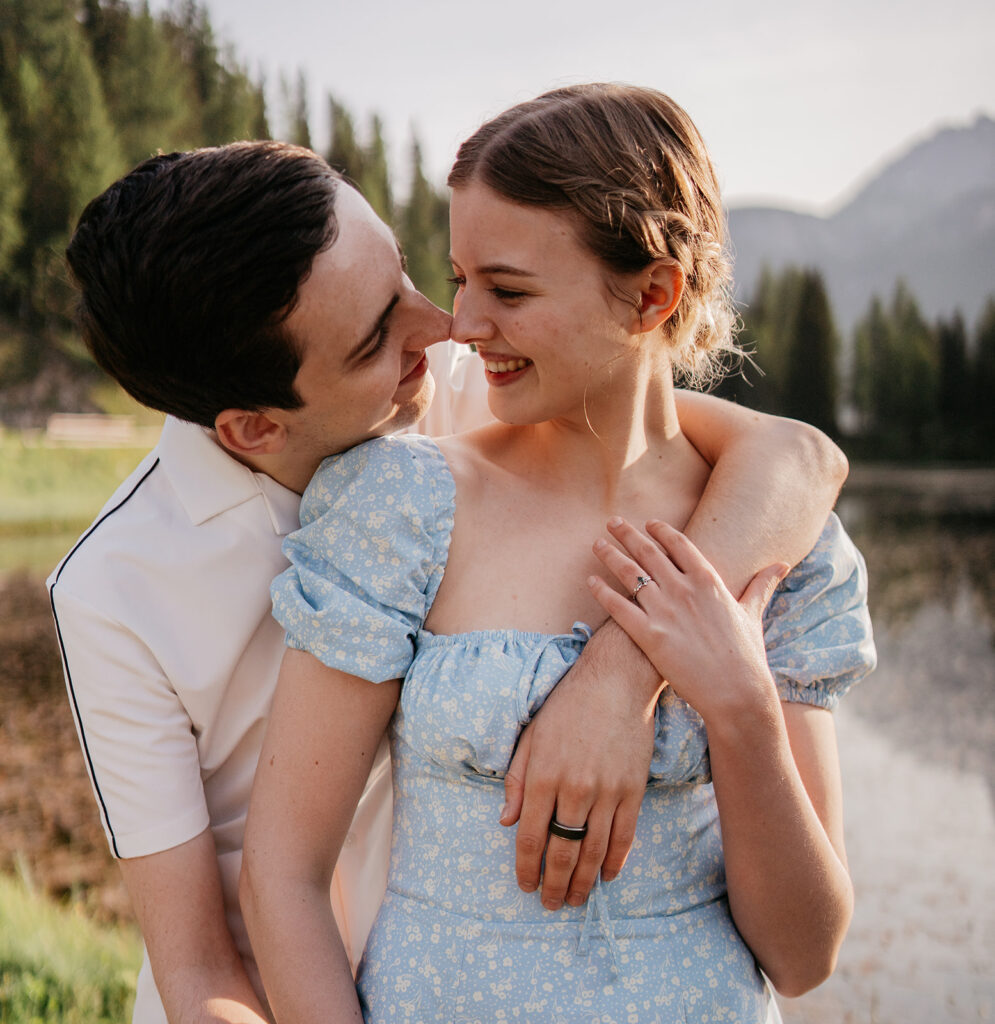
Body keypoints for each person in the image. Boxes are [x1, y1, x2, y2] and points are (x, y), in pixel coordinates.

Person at [50, 140, 847, 1024]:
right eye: (375, 338)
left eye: (405, 278)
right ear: (253, 429)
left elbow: (793, 459)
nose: (442, 327)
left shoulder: (468, 388)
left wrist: (619, 681)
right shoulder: (113, 593)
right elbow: (199, 972)